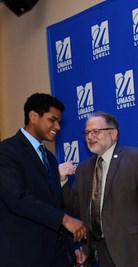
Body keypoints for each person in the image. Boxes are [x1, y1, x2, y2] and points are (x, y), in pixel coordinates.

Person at [0, 93, 87, 267]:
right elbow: (17, 199)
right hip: (24, 256)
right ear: (33, 116)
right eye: (52, 120)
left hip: (54, 256)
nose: (58, 127)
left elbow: (54, 205)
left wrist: (71, 249)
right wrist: (65, 219)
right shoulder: (7, 151)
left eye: (59, 122)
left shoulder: (50, 157)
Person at [61, 111, 138, 267]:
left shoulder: (136, 158)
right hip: (99, 250)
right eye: (87, 133)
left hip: (132, 249)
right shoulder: (84, 169)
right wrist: (63, 181)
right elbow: (76, 207)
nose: (90, 137)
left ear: (113, 133)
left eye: (96, 131)